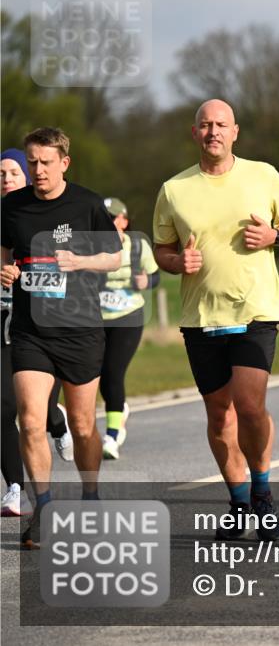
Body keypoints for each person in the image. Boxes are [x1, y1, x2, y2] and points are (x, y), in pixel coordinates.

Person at [153, 99, 279, 542]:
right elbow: (161, 249)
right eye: (205, 125)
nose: (213, 131)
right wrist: (178, 261)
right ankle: (238, 501)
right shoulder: (174, 189)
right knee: (219, 417)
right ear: (193, 133)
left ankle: (263, 492)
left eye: (221, 124)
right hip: (201, 318)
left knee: (250, 405)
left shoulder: (263, 174)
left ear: (235, 131)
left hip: (255, 312)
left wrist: (274, 235)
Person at [1, 128, 122, 548]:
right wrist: (5, 271)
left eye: (46, 163)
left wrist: (82, 261)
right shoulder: (12, 206)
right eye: (32, 162)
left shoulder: (87, 204)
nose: (38, 170)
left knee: (84, 426)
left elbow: (115, 255)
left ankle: (91, 498)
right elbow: (3, 254)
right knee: (31, 420)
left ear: (64, 163)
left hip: (81, 331)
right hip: (31, 331)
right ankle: (45, 509)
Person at [2, 149, 74, 517]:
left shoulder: (36, 215)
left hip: (38, 324)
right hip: (3, 323)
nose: (6, 178)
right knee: (5, 407)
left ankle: (57, 420)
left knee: (38, 409)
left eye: (13, 172)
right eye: (0, 173)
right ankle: (15, 488)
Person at [98, 197, 159, 460]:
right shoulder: (91, 247)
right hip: (97, 318)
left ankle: (112, 435)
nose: (107, 224)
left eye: (112, 219)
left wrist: (146, 281)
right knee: (99, 376)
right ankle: (118, 408)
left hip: (128, 317)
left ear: (123, 220)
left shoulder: (137, 246)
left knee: (113, 372)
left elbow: (155, 275)